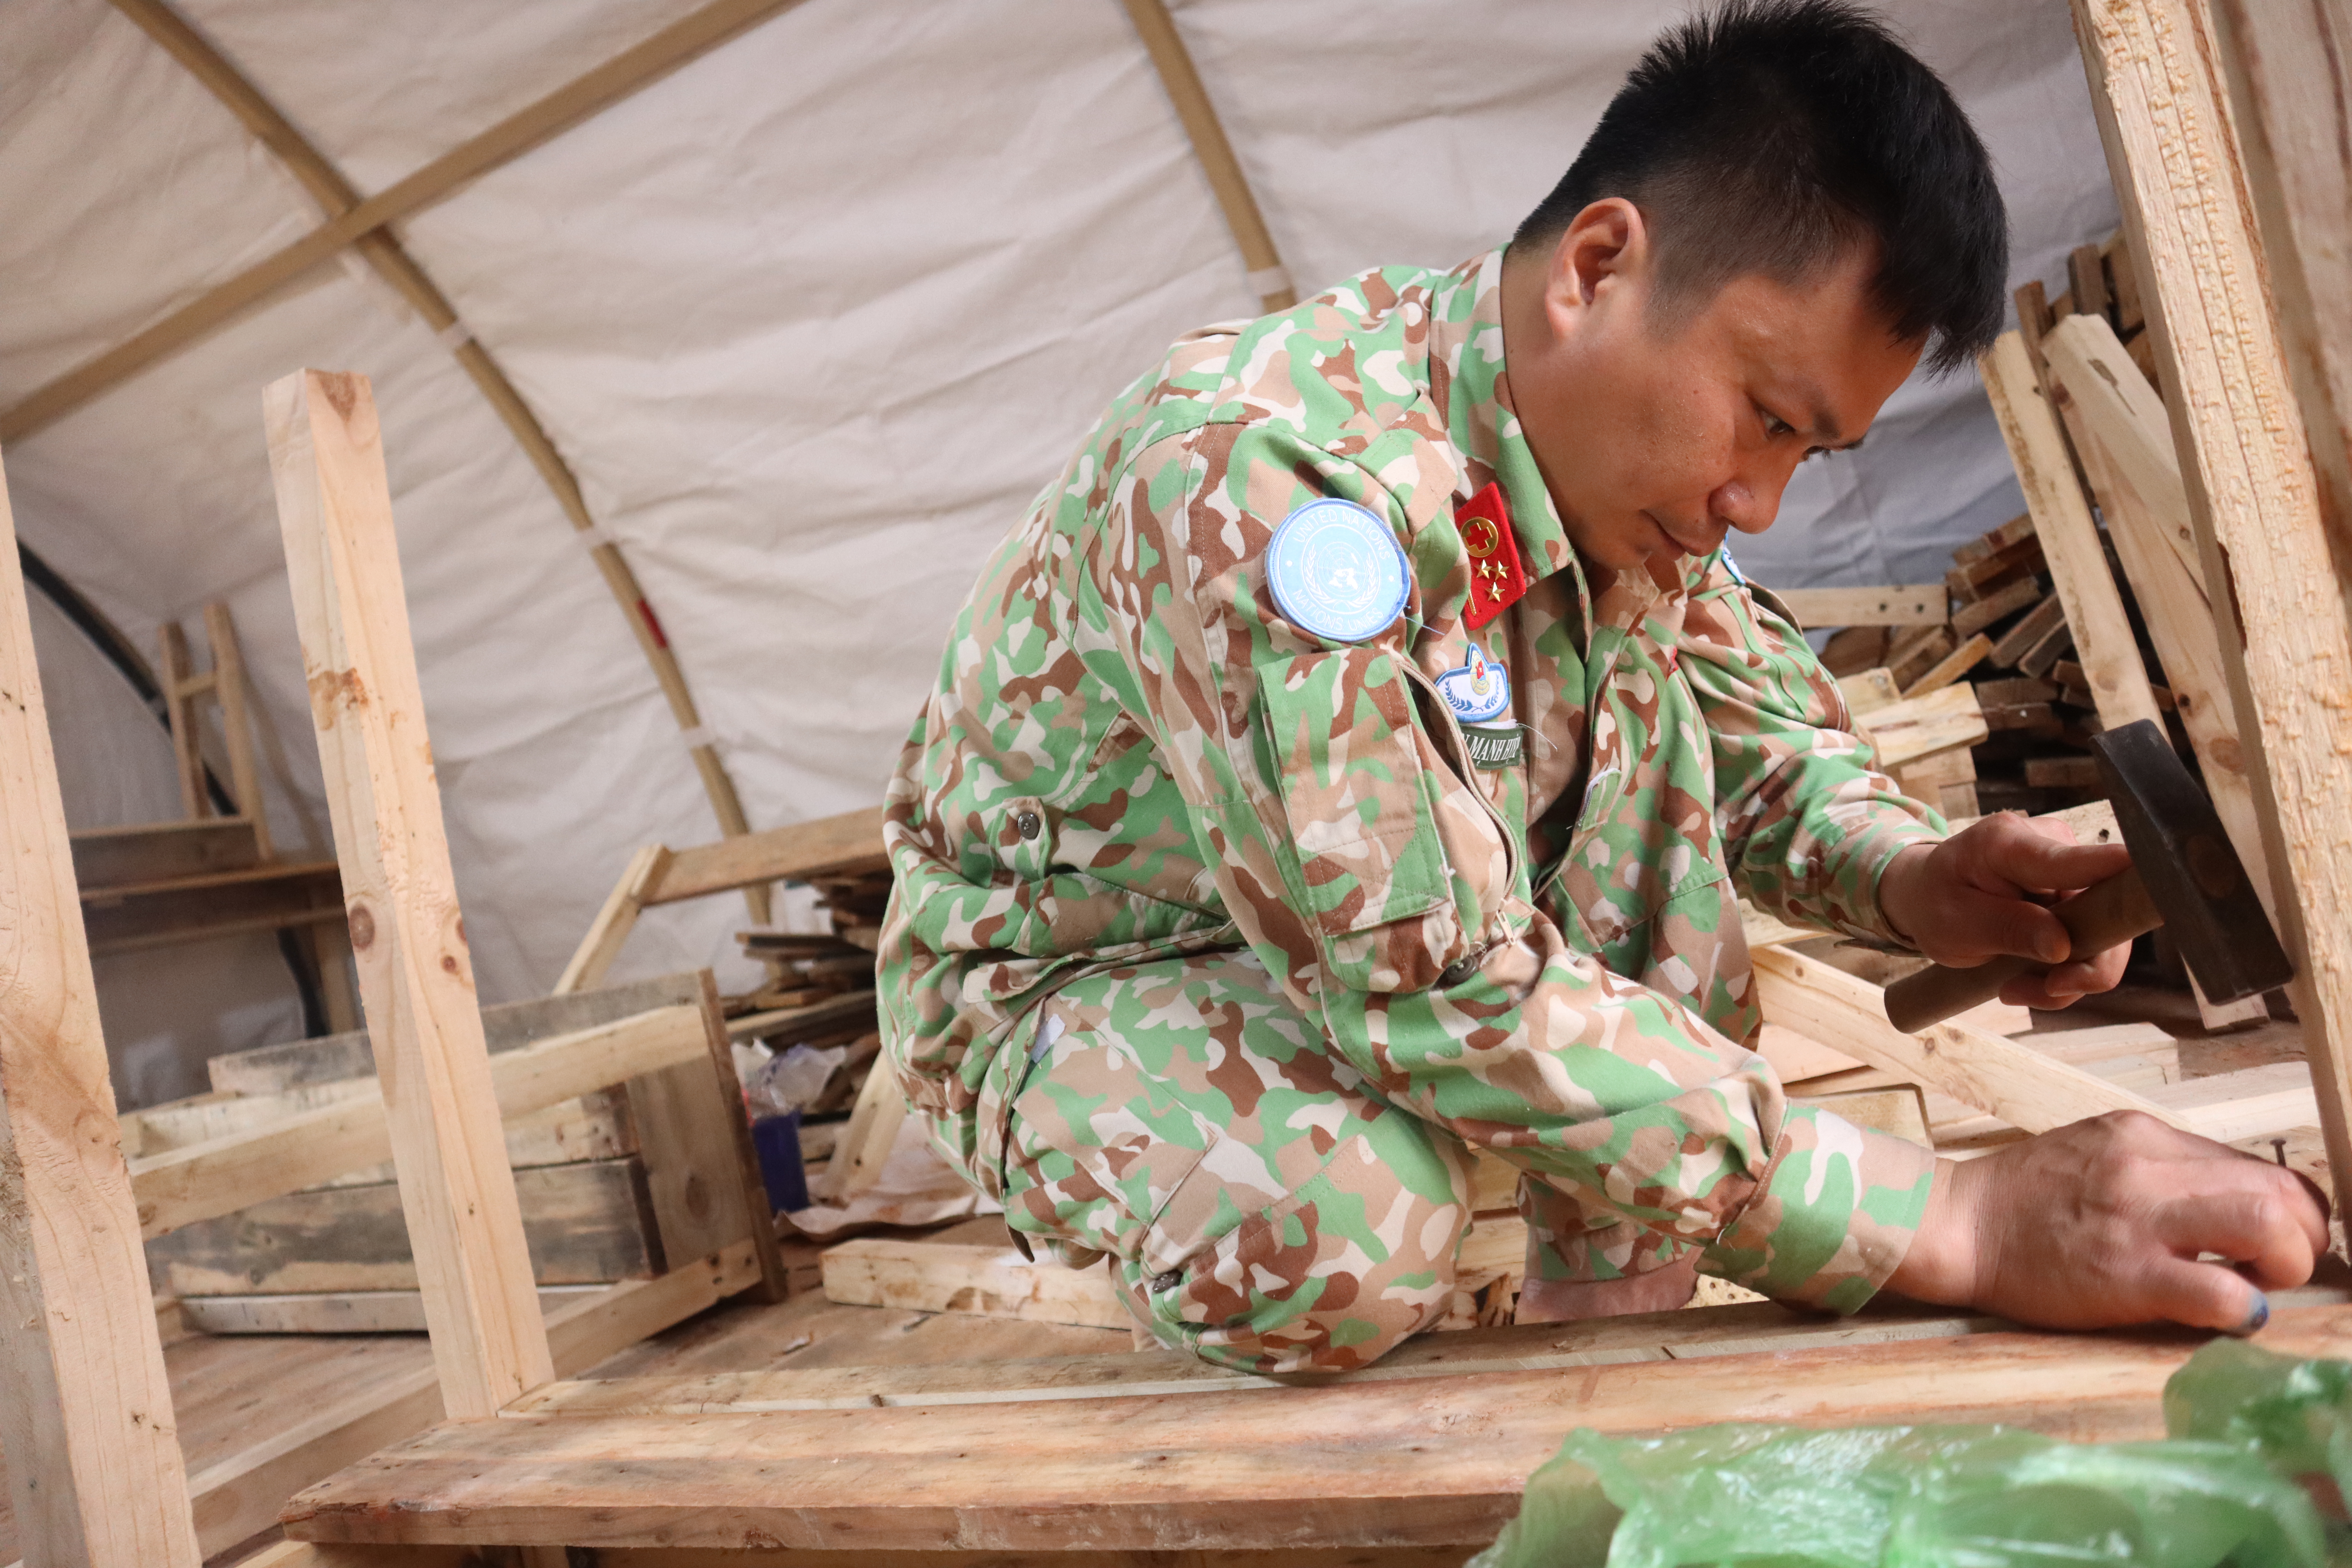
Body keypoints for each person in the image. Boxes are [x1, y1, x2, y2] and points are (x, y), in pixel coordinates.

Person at [875, 0, 2326, 1376]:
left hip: (1346, 944)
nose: (1758, 499)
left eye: (1809, 453)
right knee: (1339, 1226)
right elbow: (1424, 980)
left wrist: (1914, 877)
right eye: (1764, 417)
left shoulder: (1611, 478)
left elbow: (1760, 747)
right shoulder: (1273, 484)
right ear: (1596, 266)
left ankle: (1602, 1340)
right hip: (1074, 970)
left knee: (1653, 808)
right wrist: (1950, 1219)